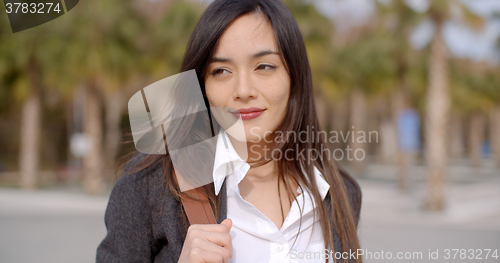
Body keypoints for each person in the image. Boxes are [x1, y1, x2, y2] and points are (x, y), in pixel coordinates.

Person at [96, 0, 362, 262]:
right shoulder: (151, 183)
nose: (243, 90)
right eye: (221, 71)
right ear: (201, 85)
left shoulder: (340, 193)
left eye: (264, 66)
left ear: (294, 76)